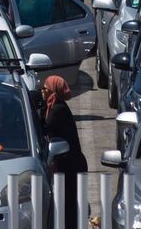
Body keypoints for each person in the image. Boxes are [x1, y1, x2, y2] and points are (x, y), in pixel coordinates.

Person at [41, 76, 87, 229]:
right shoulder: (53, 106)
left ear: (53, 91)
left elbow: (47, 126)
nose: (42, 91)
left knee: (69, 204)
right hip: (67, 164)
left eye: (46, 88)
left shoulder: (58, 110)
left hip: (70, 165)